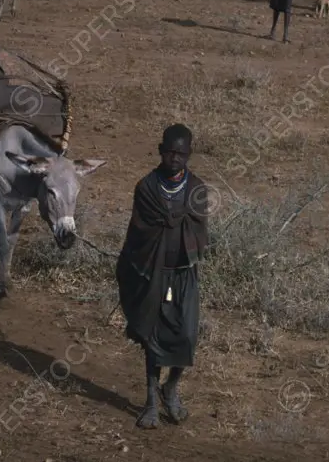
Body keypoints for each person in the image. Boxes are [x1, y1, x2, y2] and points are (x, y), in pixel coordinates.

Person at [117, 124, 208, 430]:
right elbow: (139, 234)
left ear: (189, 155)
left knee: (187, 336)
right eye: (170, 152)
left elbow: (199, 230)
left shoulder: (197, 189)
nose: (174, 158)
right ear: (160, 150)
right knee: (153, 339)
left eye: (181, 153)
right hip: (154, 274)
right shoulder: (146, 188)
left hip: (183, 274)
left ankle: (171, 387)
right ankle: (150, 402)